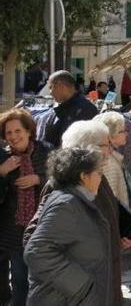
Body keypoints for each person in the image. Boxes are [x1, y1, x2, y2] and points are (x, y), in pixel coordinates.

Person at [24, 148, 113, 305]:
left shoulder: (76, 200)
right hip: (63, 299)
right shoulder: (67, 204)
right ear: (84, 176)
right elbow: (36, 251)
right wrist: (81, 286)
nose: (101, 178)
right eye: (99, 173)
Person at [0, 109, 48, 306]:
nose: (13, 136)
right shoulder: (4, 158)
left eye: (17, 131)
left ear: (29, 131)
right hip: (14, 232)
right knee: (19, 280)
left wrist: (39, 178)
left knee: (42, 281)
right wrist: (2, 173)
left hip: (44, 228)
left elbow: (63, 182)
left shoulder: (46, 152)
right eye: (8, 133)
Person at [37, 70, 99, 148]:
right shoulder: (60, 108)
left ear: (61, 86)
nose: (50, 92)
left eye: (50, 87)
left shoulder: (86, 109)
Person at [94, 111, 131, 208]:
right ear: (110, 135)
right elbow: (110, 201)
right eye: (122, 131)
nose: (126, 134)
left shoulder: (111, 157)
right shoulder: (107, 163)